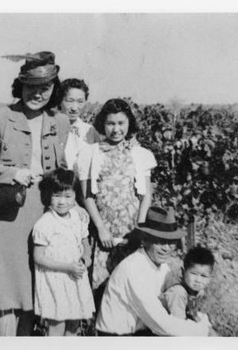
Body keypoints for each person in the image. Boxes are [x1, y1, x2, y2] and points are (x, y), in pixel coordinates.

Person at [0, 51, 70, 336]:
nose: (38, 94)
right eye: (31, 87)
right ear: (20, 86)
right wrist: (13, 174)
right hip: (7, 210)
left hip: (43, 210)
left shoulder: (60, 122)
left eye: (45, 88)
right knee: (5, 289)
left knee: (31, 286)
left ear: (53, 89)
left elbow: (61, 168)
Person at [77, 98, 156, 292]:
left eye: (121, 123)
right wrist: (101, 228)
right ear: (103, 124)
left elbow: (146, 195)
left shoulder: (140, 154)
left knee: (131, 284)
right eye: (110, 123)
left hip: (131, 229)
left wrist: (140, 227)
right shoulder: (90, 153)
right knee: (102, 285)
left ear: (129, 123)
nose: (116, 129)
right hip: (103, 228)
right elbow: (87, 196)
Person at [95, 206, 212, 336]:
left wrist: (201, 320)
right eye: (160, 242)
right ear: (145, 240)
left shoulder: (161, 266)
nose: (166, 248)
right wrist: (203, 331)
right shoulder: (134, 269)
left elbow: (174, 301)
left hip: (142, 332)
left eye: (171, 242)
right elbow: (160, 323)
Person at [32, 168, 95, 336]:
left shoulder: (77, 218)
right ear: (48, 196)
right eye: (56, 195)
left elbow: (85, 243)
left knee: (74, 322)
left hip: (75, 278)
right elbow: (38, 257)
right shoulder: (45, 224)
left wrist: (86, 259)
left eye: (68, 197)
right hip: (56, 280)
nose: (62, 202)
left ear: (75, 198)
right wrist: (66, 267)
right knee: (57, 323)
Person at [160, 246, 215, 322]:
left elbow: (192, 310)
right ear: (183, 271)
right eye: (194, 274)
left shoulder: (196, 289)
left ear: (210, 278)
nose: (198, 280)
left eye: (204, 276)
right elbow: (179, 324)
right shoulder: (177, 292)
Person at [58, 78, 101, 171]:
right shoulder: (50, 126)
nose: (74, 107)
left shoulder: (89, 130)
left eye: (80, 101)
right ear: (60, 100)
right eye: (69, 101)